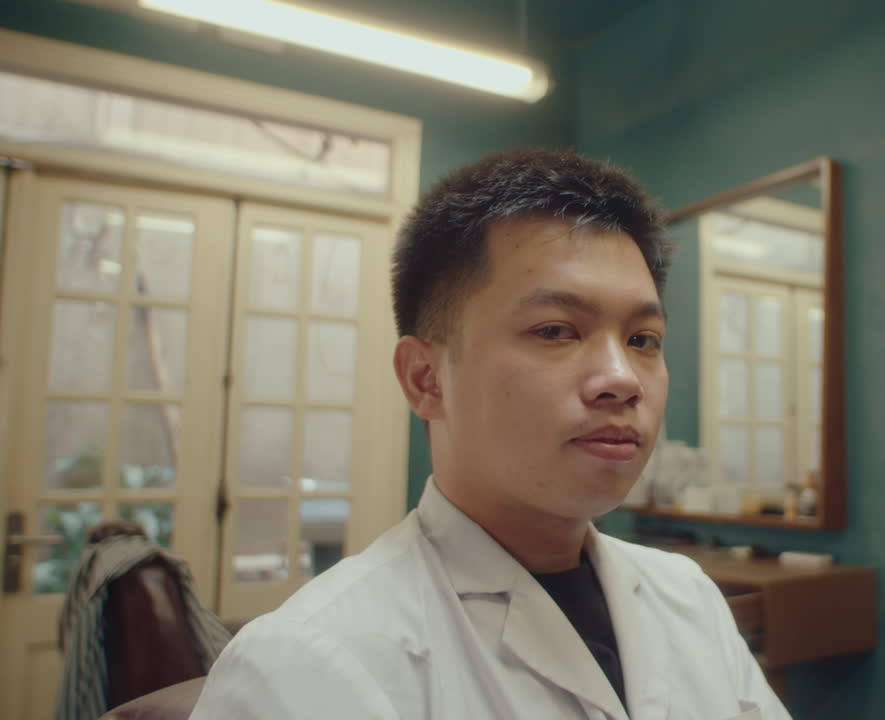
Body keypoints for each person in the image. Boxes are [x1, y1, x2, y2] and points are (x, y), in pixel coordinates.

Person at [190, 149, 790, 720]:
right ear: (426, 379)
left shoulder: (686, 594)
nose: (622, 379)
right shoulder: (309, 664)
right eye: (556, 330)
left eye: (642, 340)